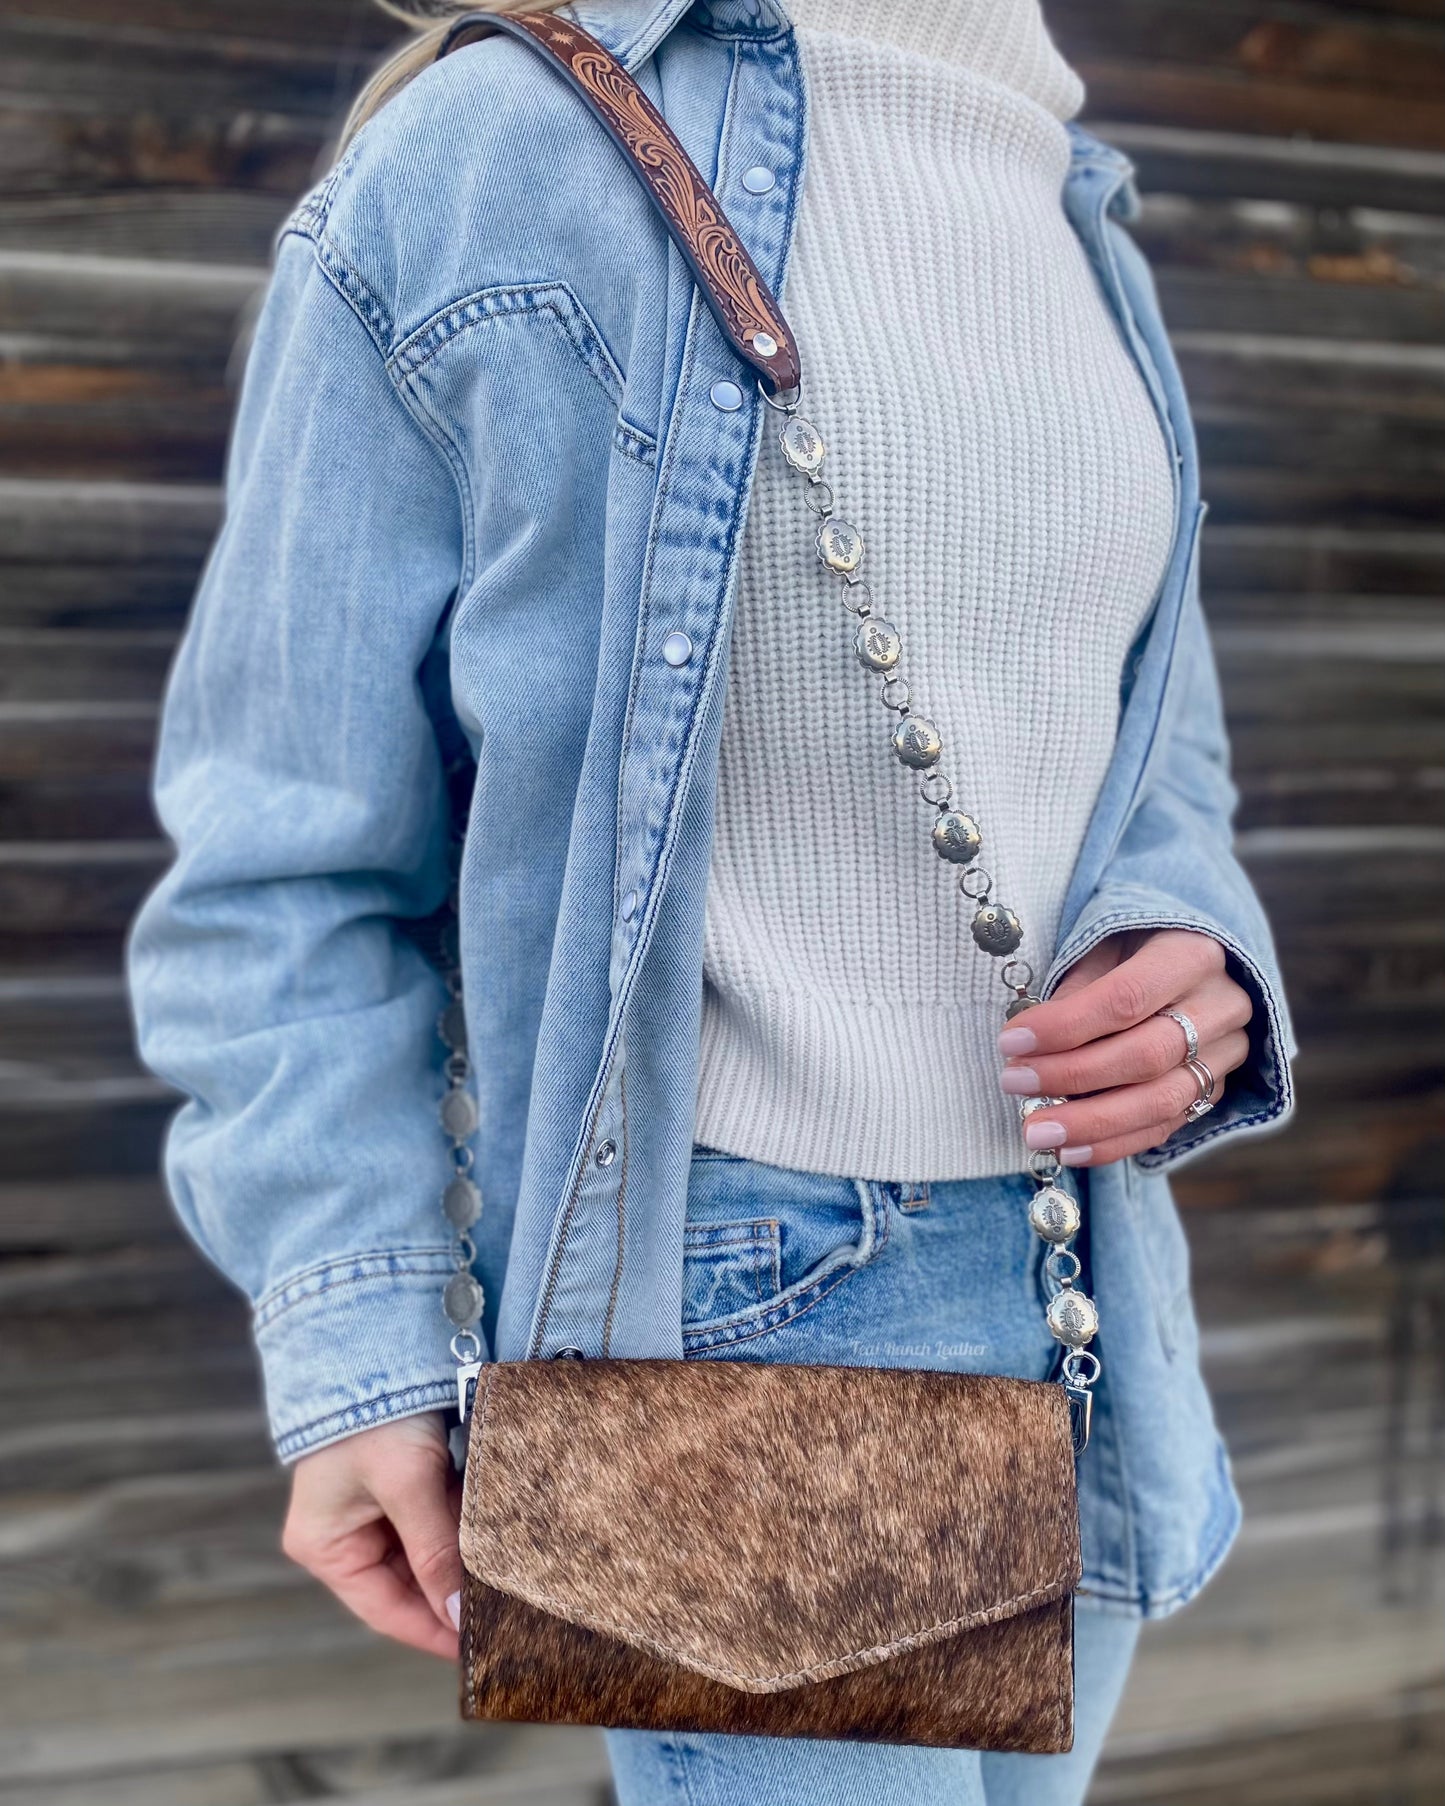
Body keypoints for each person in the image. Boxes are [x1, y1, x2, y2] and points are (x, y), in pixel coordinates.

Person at [127, 2, 1296, 1801]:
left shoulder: (1062, 184)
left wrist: (1194, 956)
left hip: (1083, 1277)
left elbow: (1152, 752)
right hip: (739, 1303)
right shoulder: (491, 155)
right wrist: (352, 1336)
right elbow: (284, 855)